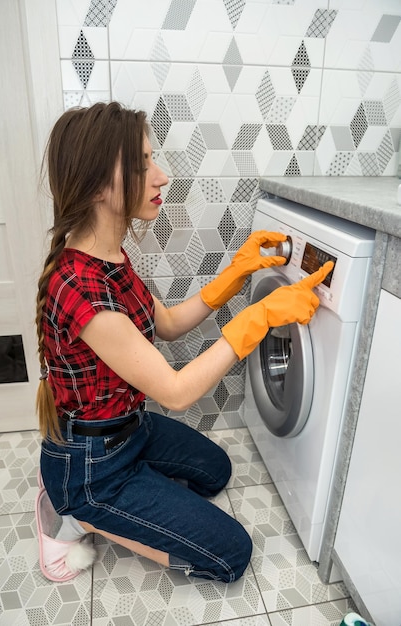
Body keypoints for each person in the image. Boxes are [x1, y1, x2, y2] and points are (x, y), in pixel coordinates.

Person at [35, 101, 333, 584]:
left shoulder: (109, 258)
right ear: (96, 186)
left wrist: (235, 275)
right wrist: (258, 317)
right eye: (140, 165)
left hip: (128, 429)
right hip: (93, 467)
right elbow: (174, 392)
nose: (161, 175)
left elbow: (169, 322)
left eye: (152, 159)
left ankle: (133, 499)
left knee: (215, 472)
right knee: (232, 555)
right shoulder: (82, 291)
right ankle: (77, 513)